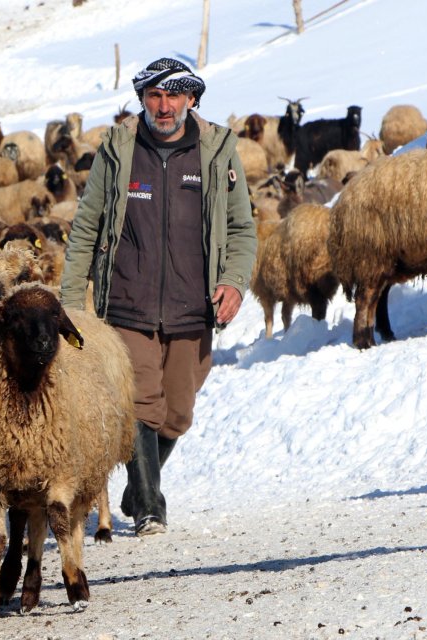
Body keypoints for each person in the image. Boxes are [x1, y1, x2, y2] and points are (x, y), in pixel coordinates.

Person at [60, 57, 257, 537]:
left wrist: (233, 282)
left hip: (194, 303)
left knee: (177, 412)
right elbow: (87, 226)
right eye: (154, 95)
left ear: (191, 99)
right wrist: (69, 305)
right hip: (128, 299)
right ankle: (149, 505)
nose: (163, 106)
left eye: (173, 96)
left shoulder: (216, 151)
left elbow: (241, 228)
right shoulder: (120, 147)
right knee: (142, 400)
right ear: (143, 99)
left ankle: (136, 484)